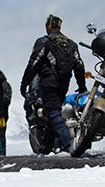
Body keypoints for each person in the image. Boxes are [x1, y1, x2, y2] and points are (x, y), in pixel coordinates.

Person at [20, 14, 87, 152]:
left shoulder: (44, 42)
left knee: (53, 113)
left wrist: (24, 83)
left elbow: (33, 64)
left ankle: (69, 144)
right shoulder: (71, 44)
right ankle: (46, 147)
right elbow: (79, 66)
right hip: (64, 84)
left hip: (48, 83)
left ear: (49, 26)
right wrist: (82, 87)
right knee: (52, 110)